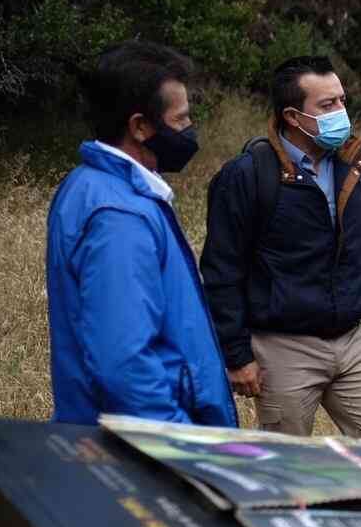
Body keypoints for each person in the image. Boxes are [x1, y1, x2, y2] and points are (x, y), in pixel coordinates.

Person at [200, 56, 361, 454]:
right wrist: (237, 355)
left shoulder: (354, 163)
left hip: (353, 340)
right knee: (285, 465)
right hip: (283, 347)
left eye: (342, 101)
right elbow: (221, 271)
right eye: (327, 106)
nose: (341, 113)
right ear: (293, 117)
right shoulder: (246, 176)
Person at [47, 40, 236, 426]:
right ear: (140, 127)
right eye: (181, 120)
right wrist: (186, 448)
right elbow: (124, 362)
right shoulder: (118, 215)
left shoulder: (98, 186)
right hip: (146, 453)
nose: (189, 131)